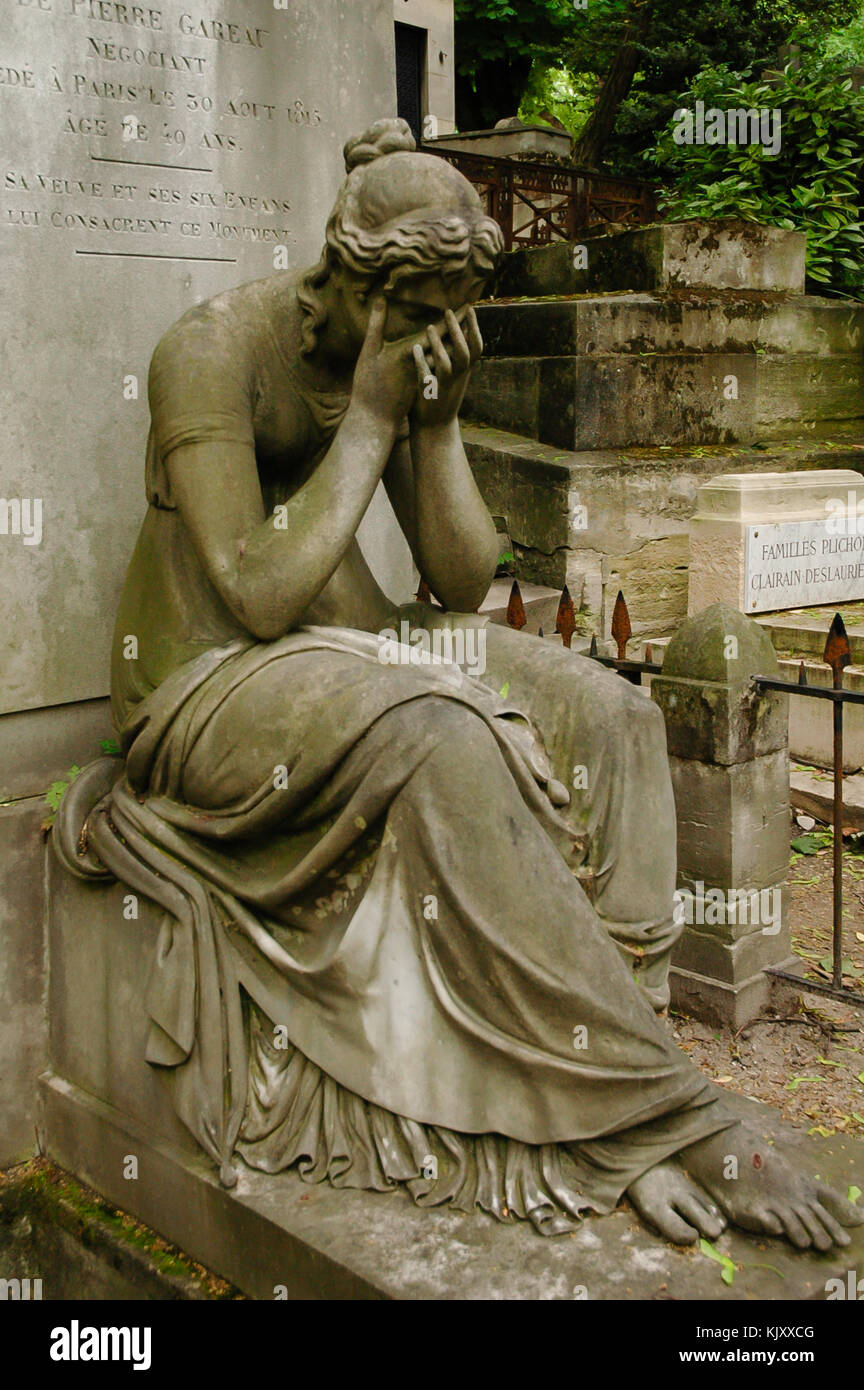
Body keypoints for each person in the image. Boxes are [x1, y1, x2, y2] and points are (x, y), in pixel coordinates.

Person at [84, 118, 859, 1247]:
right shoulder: (208, 350)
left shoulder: (412, 349)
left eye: (456, 315)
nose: (437, 335)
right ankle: (665, 1120)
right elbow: (252, 592)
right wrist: (375, 420)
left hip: (349, 637)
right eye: (417, 314)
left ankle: (618, 1080)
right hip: (204, 682)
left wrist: (435, 427)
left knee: (614, 714)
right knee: (444, 731)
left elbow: (459, 582)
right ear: (349, 282)